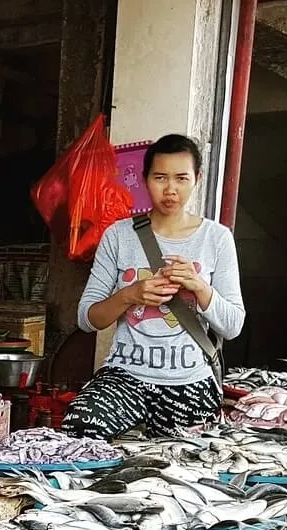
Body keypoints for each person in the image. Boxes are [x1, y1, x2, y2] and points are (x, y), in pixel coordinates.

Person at [60, 134, 244, 440]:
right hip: (125, 376)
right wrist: (130, 295)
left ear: (197, 179)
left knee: (189, 464)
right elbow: (86, 318)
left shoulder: (217, 238)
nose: (170, 189)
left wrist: (198, 286)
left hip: (189, 381)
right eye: (160, 177)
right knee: (78, 430)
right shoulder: (119, 235)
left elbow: (233, 325)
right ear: (145, 179)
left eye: (181, 178)